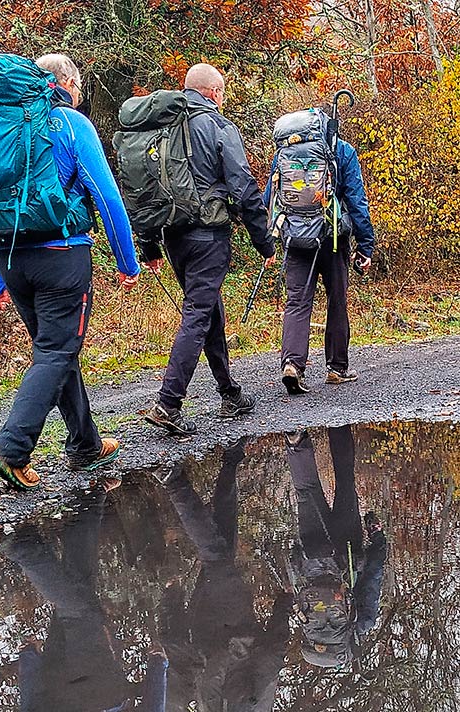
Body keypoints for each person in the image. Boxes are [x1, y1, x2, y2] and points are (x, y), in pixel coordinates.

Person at [0, 53, 140, 490]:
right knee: (55, 352)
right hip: (61, 256)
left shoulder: (0, 127)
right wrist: (128, 262)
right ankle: (12, 448)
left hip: (10, 259)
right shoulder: (71, 123)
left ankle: (84, 443)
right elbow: (106, 198)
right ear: (68, 83)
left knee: (57, 348)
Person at [0, 481, 168, 712]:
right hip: (56, 701)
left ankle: (19, 546)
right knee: (77, 599)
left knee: (80, 613)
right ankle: (89, 501)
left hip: (99, 694)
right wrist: (30, 666)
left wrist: (158, 668)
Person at [142, 63, 276, 436]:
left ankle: (229, 392)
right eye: (222, 91)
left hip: (172, 236)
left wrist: (148, 243)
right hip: (207, 235)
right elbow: (244, 187)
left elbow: (144, 188)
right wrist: (263, 241)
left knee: (208, 307)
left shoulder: (160, 127)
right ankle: (169, 403)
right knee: (199, 313)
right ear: (214, 92)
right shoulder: (217, 126)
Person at [156, 444, 290, 712]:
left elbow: (273, 656)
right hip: (200, 624)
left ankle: (173, 480)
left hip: (233, 621)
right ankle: (231, 459)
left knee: (216, 556)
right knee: (222, 543)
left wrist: (283, 606)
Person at [263, 120, 374, 395]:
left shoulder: (284, 152)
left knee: (297, 302)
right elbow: (356, 200)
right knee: (337, 299)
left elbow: (270, 198)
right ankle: (337, 368)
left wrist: (270, 239)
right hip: (332, 238)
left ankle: (292, 364)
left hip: (296, 237)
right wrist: (365, 244)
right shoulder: (342, 150)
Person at [284, 426, 386, 667]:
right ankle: (296, 443)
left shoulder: (362, 624)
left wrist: (378, 539)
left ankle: (338, 424)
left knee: (345, 481)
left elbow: (372, 578)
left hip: (346, 550)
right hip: (311, 556)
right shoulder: (309, 627)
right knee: (305, 491)